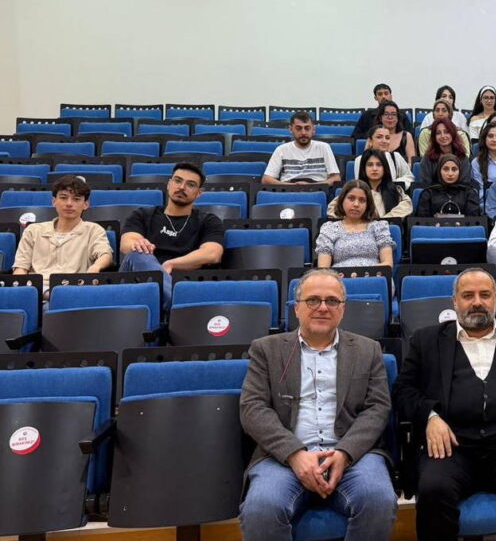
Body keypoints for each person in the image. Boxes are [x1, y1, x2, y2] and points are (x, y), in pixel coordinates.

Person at [393, 269, 496, 541]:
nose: (477, 302)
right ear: (454, 301)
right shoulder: (426, 340)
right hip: (450, 447)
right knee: (433, 490)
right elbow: (403, 389)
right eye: (468, 295)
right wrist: (430, 417)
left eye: (485, 295)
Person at [239, 269, 397, 541]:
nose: (323, 307)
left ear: (342, 309)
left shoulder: (368, 350)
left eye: (332, 301)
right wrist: (294, 453)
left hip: (353, 456)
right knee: (261, 508)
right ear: (297, 308)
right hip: (283, 457)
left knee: (378, 499)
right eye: (313, 300)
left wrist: (345, 453)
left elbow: (377, 408)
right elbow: (253, 408)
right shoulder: (266, 349)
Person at [120, 163, 225, 306]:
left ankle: (177, 305)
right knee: (136, 253)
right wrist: (138, 243)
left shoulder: (209, 221)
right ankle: (184, 307)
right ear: (169, 184)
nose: (182, 187)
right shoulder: (143, 215)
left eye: (191, 184)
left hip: (184, 282)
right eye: (178, 180)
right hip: (141, 283)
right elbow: (127, 243)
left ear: (198, 193)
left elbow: (212, 254)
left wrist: (172, 264)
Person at [12, 175, 114, 292]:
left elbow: (105, 255)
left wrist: (96, 267)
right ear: (54, 201)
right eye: (63, 198)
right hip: (36, 290)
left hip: (74, 290)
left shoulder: (94, 230)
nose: (69, 203)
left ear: (86, 204)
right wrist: (23, 290)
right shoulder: (33, 231)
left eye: (76, 199)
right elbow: (20, 268)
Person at [318, 180, 395, 268]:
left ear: (368, 204)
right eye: (351, 198)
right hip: (339, 276)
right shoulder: (329, 229)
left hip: (373, 276)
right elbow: (323, 269)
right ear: (342, 200)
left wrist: (366, 274)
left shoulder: (379, 227)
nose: (356, 204)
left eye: (362, 200)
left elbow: (388, 265)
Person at [262, 112, 341, 185]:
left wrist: (311, 186)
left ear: (313, 129)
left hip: (317, 189)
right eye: (298, 128)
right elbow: (266, 179)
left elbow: (336, 178)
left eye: (307, 128)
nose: (303, 133)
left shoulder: (324, 147)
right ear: (291, 129)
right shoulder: (281, 149)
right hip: (288, 190)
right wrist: (292, 186)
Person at [417, 118, 482, 192]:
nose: (443, 136)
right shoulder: (428, 158)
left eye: (446, 132)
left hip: (459, 196)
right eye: (438, 133)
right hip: (434, 196)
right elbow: (426, 185)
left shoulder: (462, 157)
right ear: (434, 137)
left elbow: (464, 184)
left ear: (453, 133)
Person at [352, 124, 415, 191]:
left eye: (387, 138)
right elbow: (360, 184)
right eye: (379, 137)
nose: (384, 141)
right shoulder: (360, 160)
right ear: (370, 141)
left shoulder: (396, 157)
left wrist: (394, 185)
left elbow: (409, 177)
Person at [415, 155, 482, 217]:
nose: (450, 174)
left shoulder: (469, 193)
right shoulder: (428, 193)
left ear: (460, 172)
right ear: (439, 171)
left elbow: (473, 219)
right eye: (446, 169)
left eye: (454, 169)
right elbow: (422, 219)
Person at [354, 149, 412, 219]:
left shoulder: (395, 190)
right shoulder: (355, 191)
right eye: (370, 165)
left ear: (384, 168)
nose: (374, 169)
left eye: (379, 165)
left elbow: (406, 206)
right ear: (364, 168)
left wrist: (384, 220)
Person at [374, 100, 417, 164]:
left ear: (398, 118)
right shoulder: (374, 134)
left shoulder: (406, 136)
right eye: (386, 114)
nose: (390, 117)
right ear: (380, 118)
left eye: (394, 114)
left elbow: (411, 162)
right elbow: (366, 160)